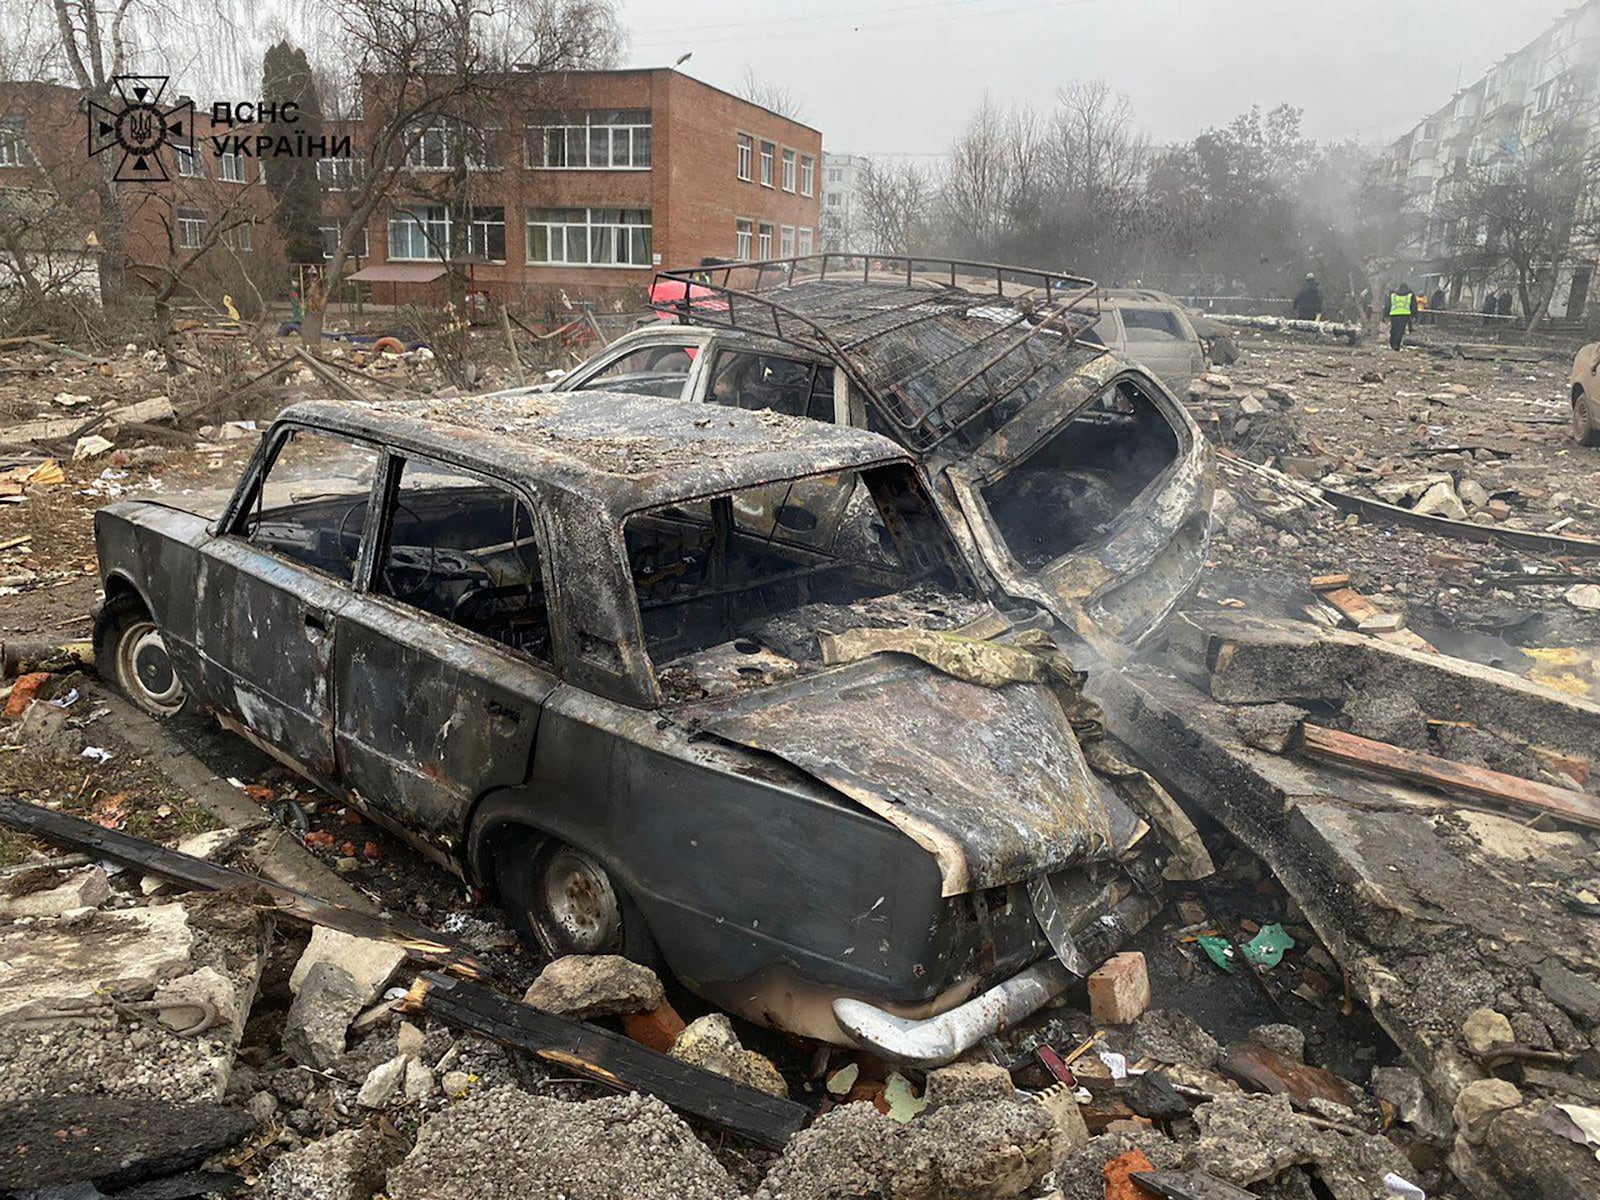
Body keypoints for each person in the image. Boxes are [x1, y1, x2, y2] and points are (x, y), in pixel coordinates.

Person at [1387, 283, 1416, 350]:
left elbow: (1388, 305)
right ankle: (1396, 345)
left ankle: (1392, 343)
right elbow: (1413, 306)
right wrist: (1414, 315)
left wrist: (1385, 314)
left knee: (1394, 329)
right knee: (1400, 330)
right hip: (1404, 314)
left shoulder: (1393, 295)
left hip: (1394, 314)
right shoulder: (1410, 295)